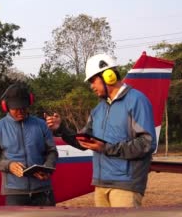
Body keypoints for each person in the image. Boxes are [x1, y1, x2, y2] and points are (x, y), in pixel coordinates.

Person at [46, 53, 156, 207]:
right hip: (101, 184)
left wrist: (106, 148)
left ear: (108, 76)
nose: (91, 86)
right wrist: (61, 129)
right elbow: (83, 142)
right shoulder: (98, 110)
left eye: (93, 81)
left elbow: (147, 143)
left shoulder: (136, 101)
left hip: (126, 184)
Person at [0, 82, 58, 206]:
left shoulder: (41, 125)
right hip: (15, 194)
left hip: (43, 191)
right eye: (15, 108)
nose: (20, 111)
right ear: (6, 106)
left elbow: (52, 151)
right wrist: (9, 165)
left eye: (23, 107)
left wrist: (48, 167)